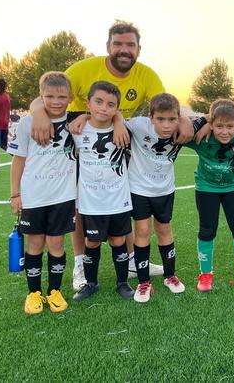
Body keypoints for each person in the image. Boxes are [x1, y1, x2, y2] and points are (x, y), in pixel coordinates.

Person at [29, 21, 193, 289]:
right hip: (84, 135)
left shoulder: (147, 75)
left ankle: (130, 259)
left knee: (123, 199)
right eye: (118, 44)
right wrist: (37, 112)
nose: (124, 50)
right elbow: (48, 95)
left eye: (130, 45)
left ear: (138, 48)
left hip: (121, 142)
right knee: (83, 203)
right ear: (108, 46)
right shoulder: (82, 69)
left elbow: (165, 104)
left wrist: (184, 120)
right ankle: (81, 264)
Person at [8, 72, 76, 314]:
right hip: (34, 196)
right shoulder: (27, 123)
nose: (56, 101)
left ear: (70, 97)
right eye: (49, 96)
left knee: (56, 243)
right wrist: (15, 194)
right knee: (35, 243)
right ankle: (34, 293)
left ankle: (54, 291)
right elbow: (18, 161)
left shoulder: (77, 123)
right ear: (41, 96)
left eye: (61, 96)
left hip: (63, 196)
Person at [127, 93, 201, 302]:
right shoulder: (139, 125)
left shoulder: (183, 129)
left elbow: (207, 121)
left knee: (164, 229)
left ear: (179, 118)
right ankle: (143, 281)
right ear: (151, 118)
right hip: (139, 189)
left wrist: (186, 122)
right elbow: (116, 118)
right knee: (142, 230)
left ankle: (170, 276)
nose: (167, 125)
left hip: (165, 190)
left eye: (172, 119)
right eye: (160, 119)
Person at [186, 99, 234, 292]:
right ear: (211, 124)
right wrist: (203, 122)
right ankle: (206, 274)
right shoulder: (202, 138)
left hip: (232, 188)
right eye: (218, 126)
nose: (224, 131)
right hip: (206, 189)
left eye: (230, 126)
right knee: (207, 229)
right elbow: (179, 128)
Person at [71, 81, 134, 302]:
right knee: (92, 242)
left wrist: (119, 122)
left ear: (116, 109)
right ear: (88, 103)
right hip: (90, 201)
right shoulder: (77, 129)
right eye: (98, 102)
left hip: (118, 199)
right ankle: (91, 283)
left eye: (110, 104)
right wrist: (82, 117)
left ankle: (122, 283)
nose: (103, 108)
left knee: (118, 241)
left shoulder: (125, 131)